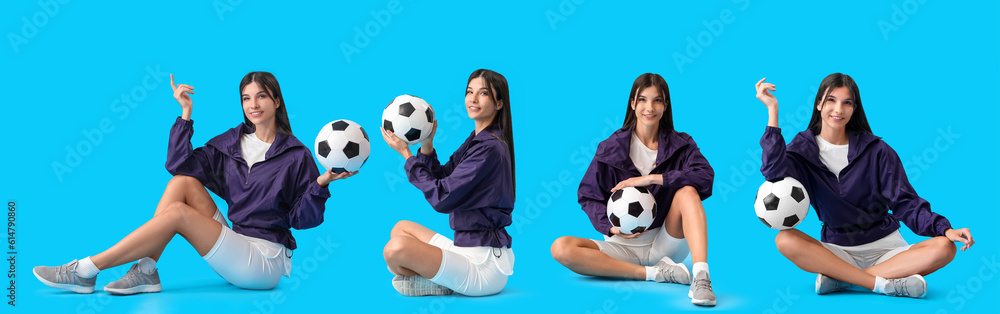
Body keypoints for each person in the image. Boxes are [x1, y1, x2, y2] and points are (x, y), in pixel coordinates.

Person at [33, 71, 354, 294]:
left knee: (178, 215)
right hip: (235, 240)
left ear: (277, 102)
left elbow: (303, 220)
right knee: (182, 184)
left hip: (263, 262)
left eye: (261, 97)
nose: (253, 105)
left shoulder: (296, 155)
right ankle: (146, 270)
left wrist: (322, 182)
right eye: (246, 98)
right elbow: (178, 166)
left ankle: (86, 270)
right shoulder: (232, 142)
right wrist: (185, 114)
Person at [754, 73, 974, 298]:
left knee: (945, 247)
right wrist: (772, 112)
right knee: (784, 239)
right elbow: (773, 172)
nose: (838, 109)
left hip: (887, 249)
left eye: (846, 103)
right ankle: (884, 283)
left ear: (854, 109)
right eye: (831, 100)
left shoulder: (877, 150)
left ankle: (844, 280)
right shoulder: (802, 151)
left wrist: (945, 229)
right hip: (837, 251)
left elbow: (905, 202)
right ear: (819, 103)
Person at [550, 73, 717, 306]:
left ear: (665, 105)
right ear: (632, 103)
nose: (650, 107)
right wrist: (610, 228)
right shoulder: (610, 148)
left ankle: (701, 277)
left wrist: (652, 179)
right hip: (621, 247)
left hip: (665, 243)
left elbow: (705, 177)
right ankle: (656, 273)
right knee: (561, 247)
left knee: (687, 191)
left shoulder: (682, 144)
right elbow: (588, 195)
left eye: (657, 100)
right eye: (643, 100)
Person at [381, 69, 515, 297]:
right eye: (469, 92)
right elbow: (443, 176)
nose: (473, 99)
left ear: (499, 103)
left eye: (483, 93)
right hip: (464, 250)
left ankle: (444, 282)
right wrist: (426, 143)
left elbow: (442, 197)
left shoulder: (489, 148)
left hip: (484, 267)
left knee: (395, 249)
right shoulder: (478, 140)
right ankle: (443, 279)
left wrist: (407, 155)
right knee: (401, 229)